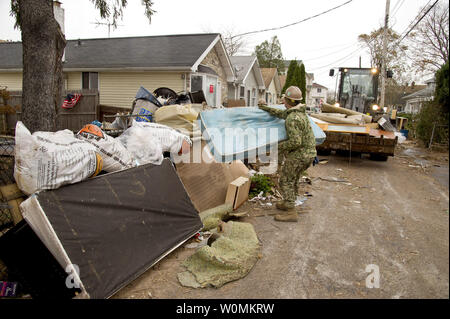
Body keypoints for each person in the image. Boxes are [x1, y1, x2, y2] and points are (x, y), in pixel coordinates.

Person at [258, 86, 316, 222]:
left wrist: (277, 147)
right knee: (294, 179)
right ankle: (289, 202)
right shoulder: (299, 113)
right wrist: (265, 108)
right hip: (309, 153)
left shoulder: (292, 119)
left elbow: (296, 141)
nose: (283, 101)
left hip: (299, 154)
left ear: (288, 101)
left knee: (285, 180)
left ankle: (291, 211)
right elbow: (280, 114)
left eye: (284, 99)